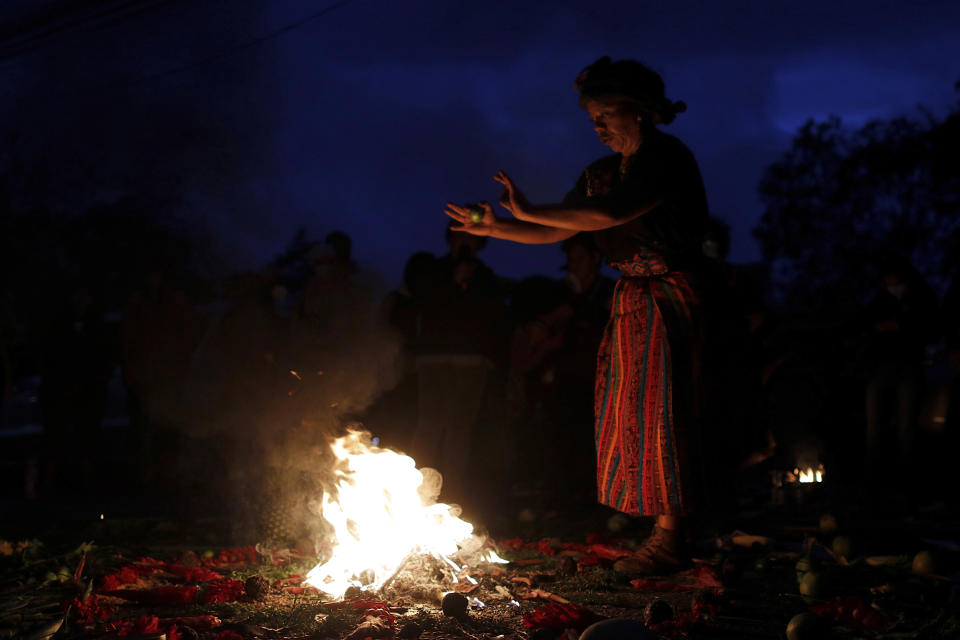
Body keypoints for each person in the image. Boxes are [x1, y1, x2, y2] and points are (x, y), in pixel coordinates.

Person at [445, 56, 708, 574]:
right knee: (632, 412)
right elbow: (561, 229)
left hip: (673, 296)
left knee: (667, 410)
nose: (599, 125)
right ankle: (659, 530)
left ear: (639, 110)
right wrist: (498, 228)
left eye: (607, 113)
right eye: (592, 117)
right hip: (633, 300)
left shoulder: (664, 158)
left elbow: (609, 215)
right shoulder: (601, 173)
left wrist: (529, 210)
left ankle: (672, 538)